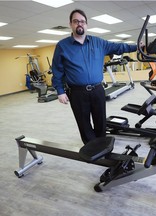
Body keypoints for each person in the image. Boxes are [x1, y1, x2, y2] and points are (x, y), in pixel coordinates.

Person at [52, 9, 138, 144]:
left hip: (97, 89)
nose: (79, 24)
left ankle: (102, 145)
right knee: (83, 123)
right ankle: (92, 148)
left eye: (82, 21)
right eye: (76, 21)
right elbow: (57, 70)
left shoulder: (98, 43)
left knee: (100, 121)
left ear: (86, 25)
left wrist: (137, 47)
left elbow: (118, 47)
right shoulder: (62, 46)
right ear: (70, 24)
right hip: (77, 92)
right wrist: (60, 91)